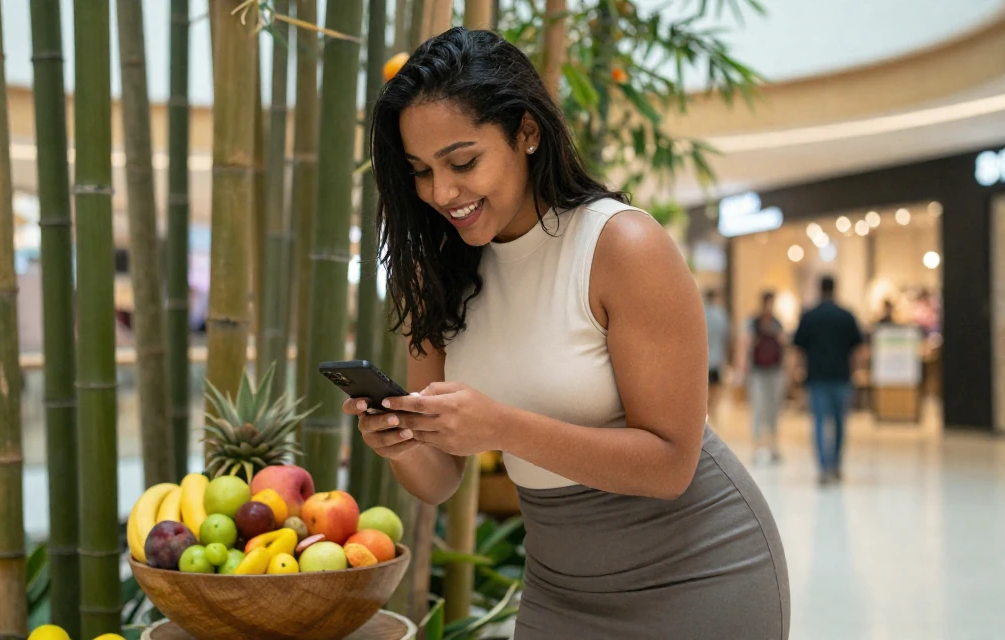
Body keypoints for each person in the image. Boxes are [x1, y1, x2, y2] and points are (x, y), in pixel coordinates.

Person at [345, 28, 789, 639]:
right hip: (559, 588)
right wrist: (401, 441)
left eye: (463, 162)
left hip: (698, 575)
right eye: (421, 171)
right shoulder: (436, 276)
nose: (442, 192)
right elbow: (439, 478)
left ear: (526, 132)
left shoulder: (621, 246)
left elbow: (670, 465)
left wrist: (501, 428)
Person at [793, 276, 864, 483]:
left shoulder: (809, 316)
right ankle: (836, 465)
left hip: (816, 377)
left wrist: (797, 373)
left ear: (819, 289)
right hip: (841, 376)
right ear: (835, 289)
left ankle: (824, 467)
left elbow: (798, 347)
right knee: (840, 422)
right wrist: (856, 372)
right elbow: (857, 348)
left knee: (819, 422)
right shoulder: (846, 315)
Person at [739, 291, 786, 463]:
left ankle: (773, 445)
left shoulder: (777, 323)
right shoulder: (753, 323)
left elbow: (784, 345)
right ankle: (757, 446)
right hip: (758, 372)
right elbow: (746, 345)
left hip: (775, 371)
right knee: (758, 408)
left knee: (773, 409)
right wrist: (742, 368)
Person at [703, 289, 730, 424]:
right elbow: (726, 338)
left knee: (705, 389)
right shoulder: (721, 315)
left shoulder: (701, 314)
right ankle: (714, 414)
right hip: (717, 358)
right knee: (716, 389)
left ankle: (706, 413)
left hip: (704, 359)